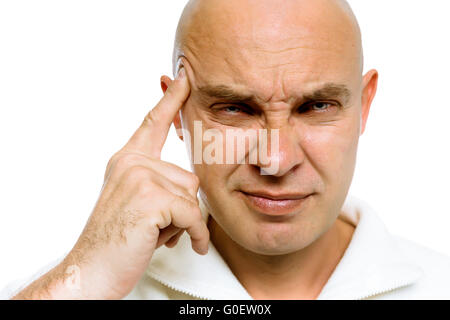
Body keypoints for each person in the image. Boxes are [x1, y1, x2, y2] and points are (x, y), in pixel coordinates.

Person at [3, 0, 450, 300]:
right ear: (177, 112)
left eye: (315, 106)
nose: (275, 160)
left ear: (364, 104)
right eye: (235, 108)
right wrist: (83, 279)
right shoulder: (77, 288)